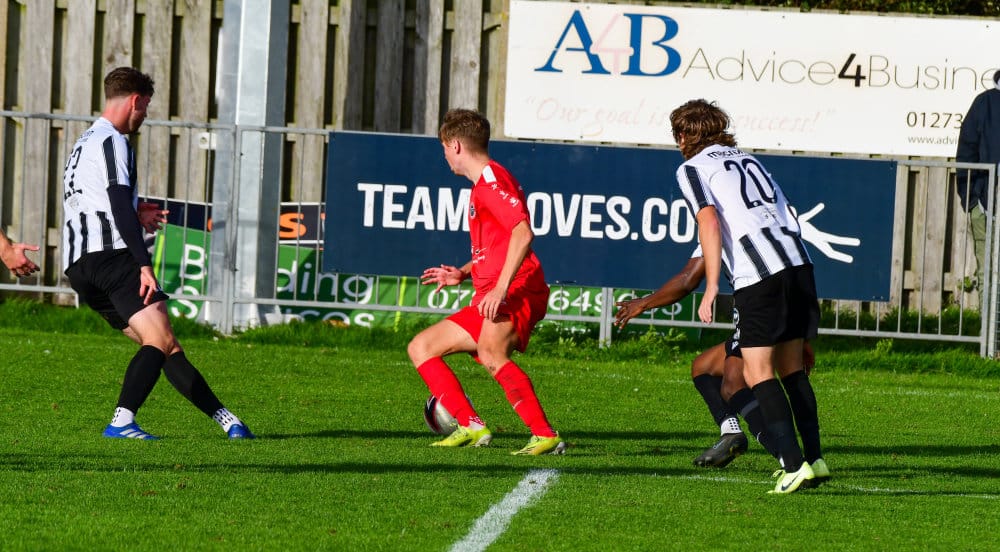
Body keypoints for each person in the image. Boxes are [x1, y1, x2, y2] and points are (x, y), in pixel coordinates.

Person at [61, 67, 253, 440]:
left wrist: (138, 211)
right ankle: (121, 422)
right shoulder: (113, 141)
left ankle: (229, 422)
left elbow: (96, 202)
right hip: (112, 257)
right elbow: (117, 202)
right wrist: (144, 264)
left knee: (165, 345)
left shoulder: (84, 142)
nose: (145, 115)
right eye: (146, 106)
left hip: (81, 265)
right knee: (159, 342)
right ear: (135, 100)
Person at [670, 99, 826, 494]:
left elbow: (708, 221)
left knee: (758, 372)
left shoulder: (693, 167)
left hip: (759, 273)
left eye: (677, 135)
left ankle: (793, 466)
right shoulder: (748, 159)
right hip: (798, 261)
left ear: (685, 135)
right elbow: (786, 212)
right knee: (792, 368)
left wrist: (712, 286)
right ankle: (814, 459)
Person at [407, 108, 565, 455]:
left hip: (518, 287)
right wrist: (463, 273)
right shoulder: (486, 183)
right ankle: (471, 426)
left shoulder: (491, 182)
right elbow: (500, 244)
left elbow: (523, 234)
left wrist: (500, 289)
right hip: (496, 290)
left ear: (456, 145)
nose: (445, 156)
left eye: (444, 148)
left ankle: (544, 434)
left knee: (491, 351)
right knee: (422, 347)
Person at [615, 251, 816, 470]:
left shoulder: (719, 228)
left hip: (759, 295)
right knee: (703, 367)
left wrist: (644, 303)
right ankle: (732, 431)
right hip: (790, 285)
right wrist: (801, 336)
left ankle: (790, 461)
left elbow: (687, 279)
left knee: (735, 384)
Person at [956, 68, 1000, 291]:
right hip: (986, 206)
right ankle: (988, 317)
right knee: (987, 272)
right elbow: (966, 152)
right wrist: (972, 201)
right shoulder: (984, 104)